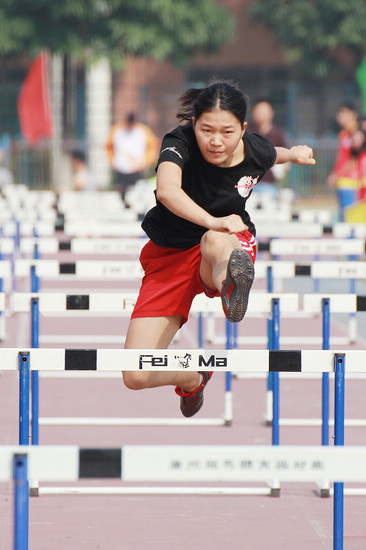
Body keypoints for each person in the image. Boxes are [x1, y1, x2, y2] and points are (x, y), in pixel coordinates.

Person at [122, 81, 315, 418]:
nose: (215, 140)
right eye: (206, 129)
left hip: (224, 246)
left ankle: (231, 283)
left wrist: (294, 154)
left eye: (226, 132)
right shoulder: (178, 143)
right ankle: (192, 377)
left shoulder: (254, 148)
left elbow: (274, 153)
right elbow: (167, 191)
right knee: (135, 373)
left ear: (242, 129)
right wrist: (214, 219)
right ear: (193, 123)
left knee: (216, 242)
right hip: (170, 255)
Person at [105, 112, 159, 206]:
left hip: (137, 169)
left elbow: (152, 147)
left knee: (137, 193)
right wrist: (113, 162)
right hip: (121, 169)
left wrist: (146, 162)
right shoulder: (117, 131)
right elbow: (109, 147)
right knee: (121, 191)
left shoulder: (142, 131)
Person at [247, 97, 288, 198]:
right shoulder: (247, 132)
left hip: (269, 184)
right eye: (258, 110)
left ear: (271, 113)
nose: (261, 114)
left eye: (264, 111)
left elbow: (287, 157)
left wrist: (283, 168)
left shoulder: (277, 133)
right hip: (247, 183)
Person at [327, 103, 359, 220]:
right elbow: (341, 158)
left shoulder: (357, 133)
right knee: (343, 217)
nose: (341, 117)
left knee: (350, 219)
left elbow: (355, 159)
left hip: (352, 182)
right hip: (343, 181)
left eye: (345, 114)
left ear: (353, 115)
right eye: (339, 115)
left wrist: (336, 175)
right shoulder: (343, 134)